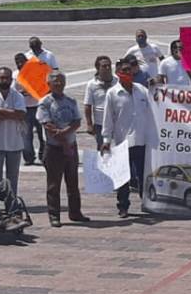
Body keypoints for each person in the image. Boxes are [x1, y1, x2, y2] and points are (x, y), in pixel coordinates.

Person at [101, 57, 158, 218]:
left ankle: (146, 203)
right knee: (123, 178)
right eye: (124, 70)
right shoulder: (113, 94)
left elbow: (154, 107)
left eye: (130, 69)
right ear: (118, 73)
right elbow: (108, 119)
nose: (128, 72)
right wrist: (106, 140)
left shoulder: (141, 90)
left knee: (144, 175)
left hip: (142, 140)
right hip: (123, 142)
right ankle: (123, 206)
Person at [37, 71, 89, 227]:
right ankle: (54, 215)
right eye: (55, 81)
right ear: (49, 84)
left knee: (73, 182)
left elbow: (77, 121)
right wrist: (62, 139)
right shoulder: (45, 102)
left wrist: (65, 134)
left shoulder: (71, 101)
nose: (58, 84)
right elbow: (47, 125)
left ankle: (75, 212)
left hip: (71, 146)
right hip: (54, 148)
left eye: (61, 81)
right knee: (54, 184)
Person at [0, 67, 27, 196]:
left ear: (11, 80)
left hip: (14, 143)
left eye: (7, 78)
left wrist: (1, 111)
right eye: (2, 78)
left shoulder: (17, 95)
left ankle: (11, 203)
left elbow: (22, 114)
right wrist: (13, 114)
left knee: (12, 178)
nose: (5, 80)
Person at [12, 52, 45, 165]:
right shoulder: (15, 75)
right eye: (17, 63)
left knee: (42, 134)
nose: (20, 64)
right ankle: (29, 157)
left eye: (22, 62)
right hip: (24, 108)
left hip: (38, 106)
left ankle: (43, 155)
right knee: (26, 135)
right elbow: (13, 92)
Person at [82, 56, 116, 149]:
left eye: (109, 65)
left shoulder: (117, 81)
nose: (107, 68)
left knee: (119, 149)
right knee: (103, 149)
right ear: (98, 68)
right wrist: (89, 124)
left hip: (117, 122)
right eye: (104, 66)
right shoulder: (92, 84)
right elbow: (88, 105)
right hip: (100, 124)